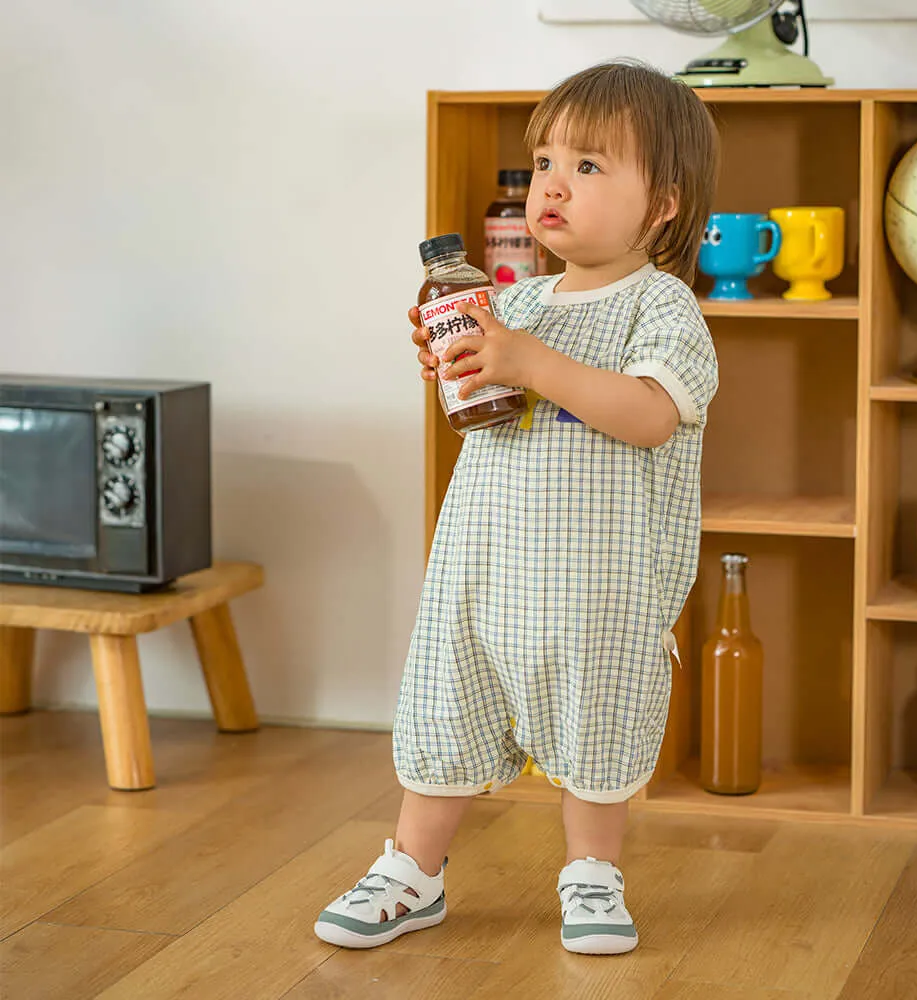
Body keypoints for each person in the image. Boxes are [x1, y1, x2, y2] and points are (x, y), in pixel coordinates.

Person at [315, 58, 719, 956]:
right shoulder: (515, 300)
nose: (553, 186)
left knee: (596, 718)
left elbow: (650, 417)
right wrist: (459, 367)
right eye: (545, 163)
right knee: (446, 706)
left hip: (596, 583)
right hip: (484, 566)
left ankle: (593, 876)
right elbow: (489, 420)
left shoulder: (664, 309)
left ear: (662, 206)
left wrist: (528, 362)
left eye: (589, 166)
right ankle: (413, 870)